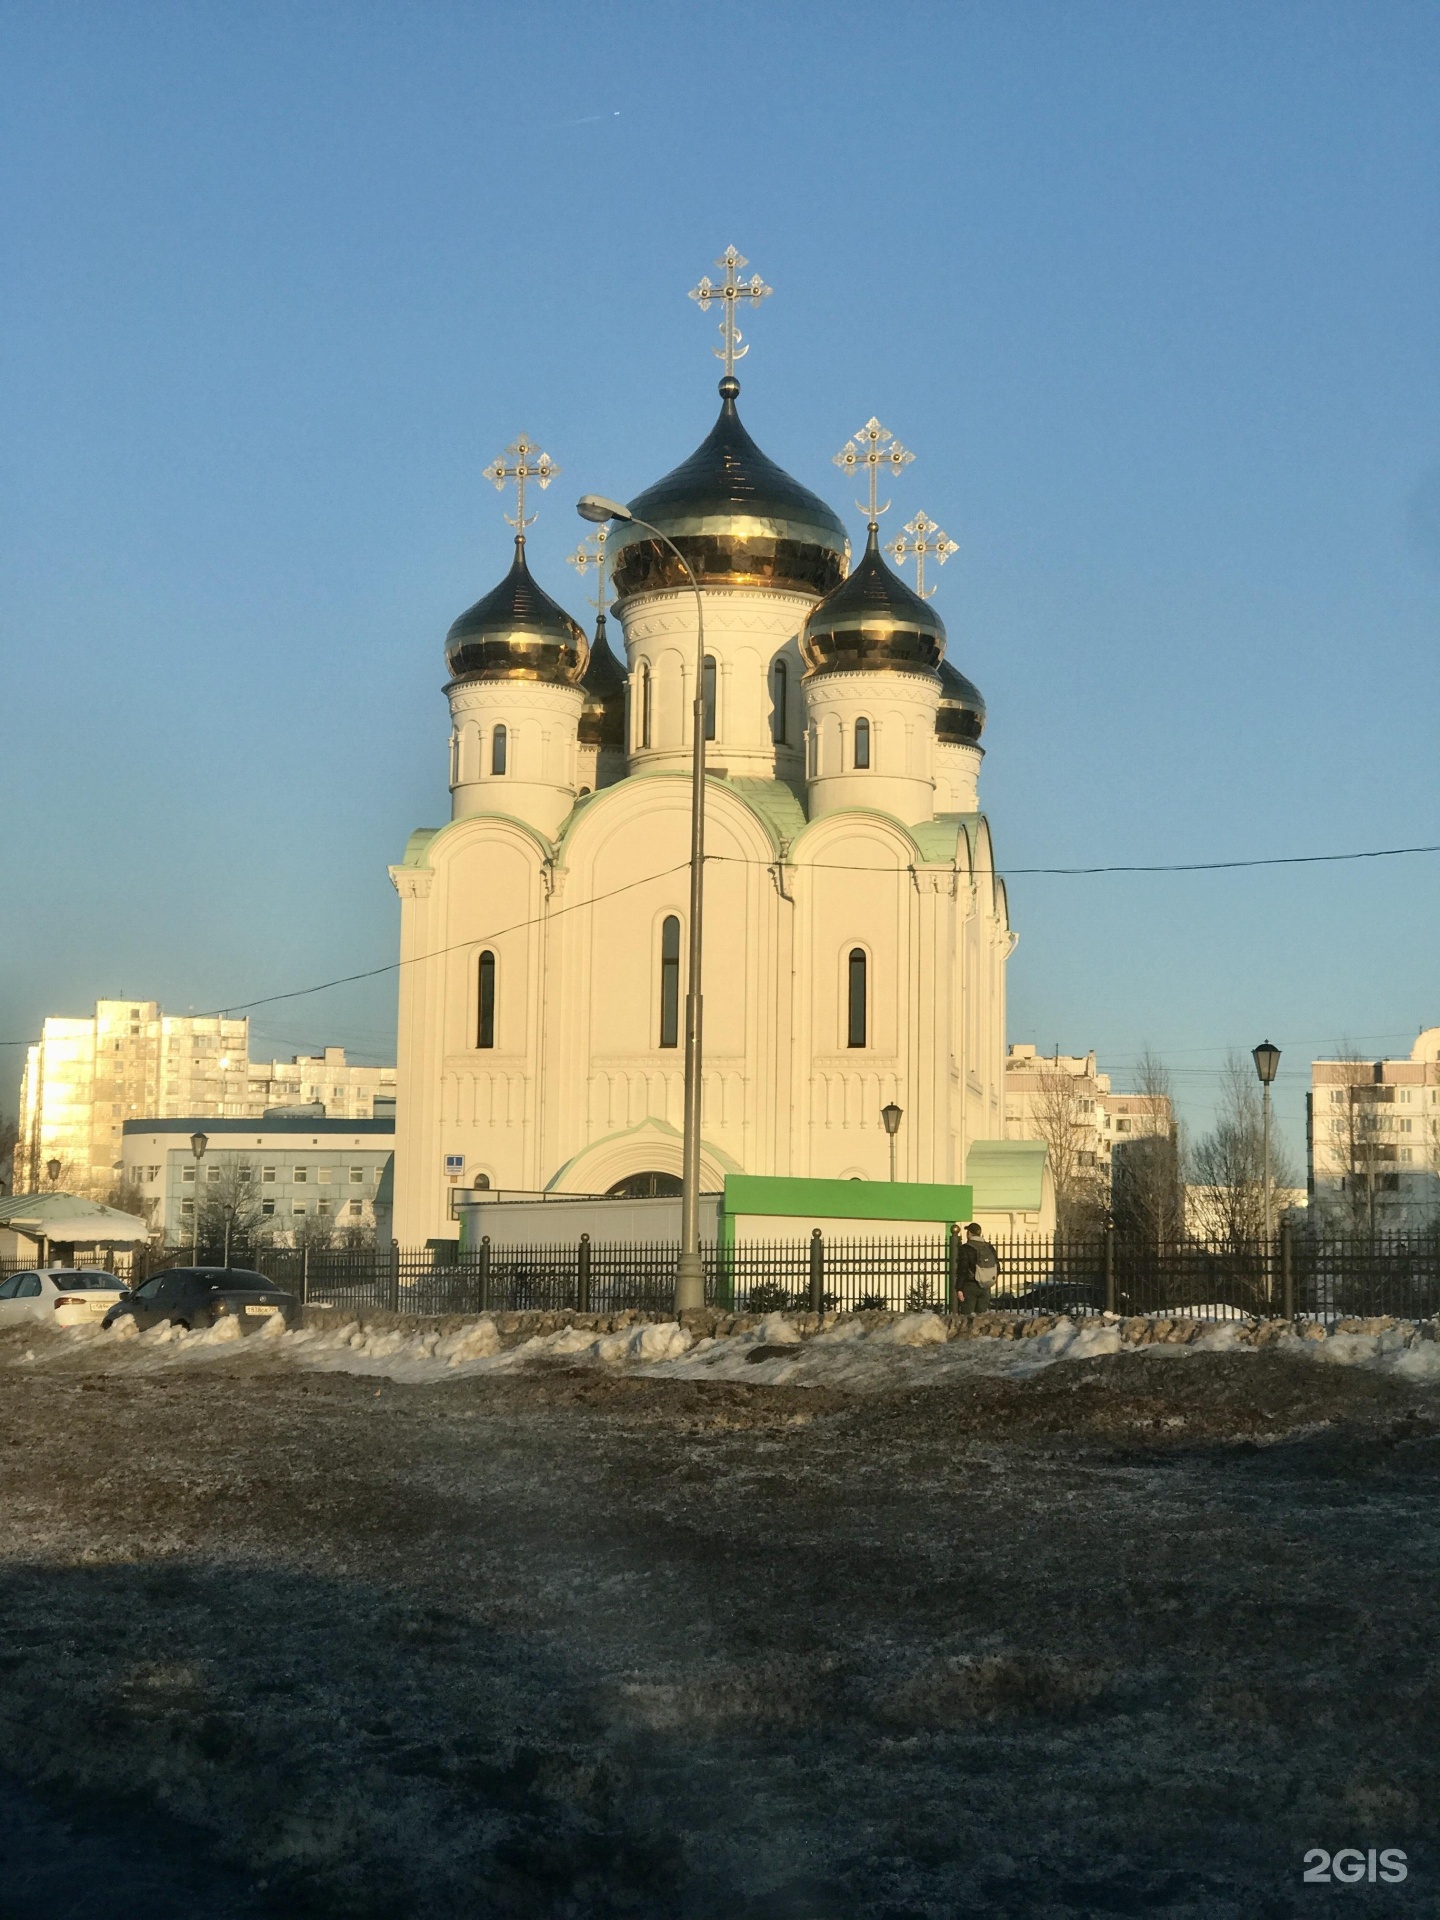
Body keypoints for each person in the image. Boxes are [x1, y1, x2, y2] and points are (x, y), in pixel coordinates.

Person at [952, 1222, 1000, 1313]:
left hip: (970, 1286)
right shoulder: (989, 1247)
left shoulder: (965, 1248)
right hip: (985, 1286)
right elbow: (998, 1267)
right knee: (981, 1319)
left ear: (969, 1233)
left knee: (967, 1317)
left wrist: (959, 1288)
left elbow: (963, 1270)